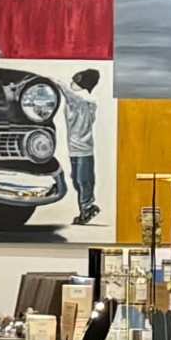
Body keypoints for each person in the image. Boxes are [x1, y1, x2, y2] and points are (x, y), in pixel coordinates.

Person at [58, 67, 102, 225]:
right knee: (76, 180)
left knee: (83, 180)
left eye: (76, 81)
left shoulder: (84, 100)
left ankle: (88, 207)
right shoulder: (77, 100)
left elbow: (66, 90)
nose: (72, 83)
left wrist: (50, 79)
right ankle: (86, 209)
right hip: (74, 149)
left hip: (84, 150)